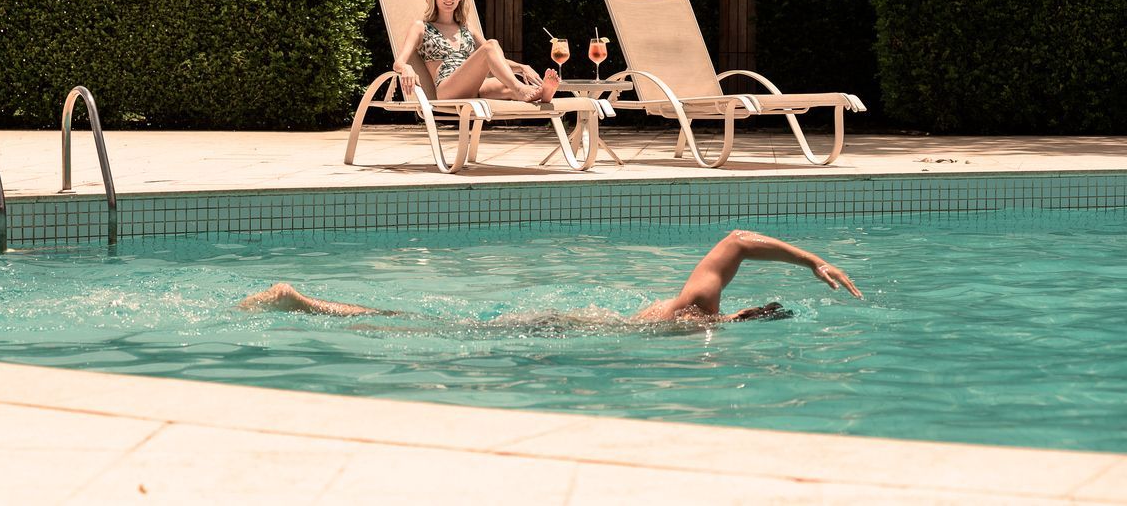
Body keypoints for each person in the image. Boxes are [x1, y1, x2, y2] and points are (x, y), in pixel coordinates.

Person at [239, 229, 862, 324]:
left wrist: (809, 260)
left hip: (571, 324)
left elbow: (736, 245)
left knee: (428, 325)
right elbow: (735, 241)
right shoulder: (698, 311)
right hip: (559, 328)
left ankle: (307, 302)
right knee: (425, 326)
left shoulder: (702, 314)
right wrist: (811, 260)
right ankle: (302, 302)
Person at [393, 0, 560, 104]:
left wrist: (522, 67)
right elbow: (399, 62)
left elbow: (493, 58)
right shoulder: (421, 27)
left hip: (474, 86)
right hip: (447, 88)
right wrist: (406, 68)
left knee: (506, 84)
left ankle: (540, 94)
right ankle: (520, 89)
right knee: (492, 45)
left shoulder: (467, 28)